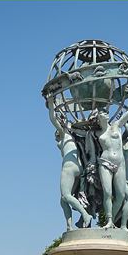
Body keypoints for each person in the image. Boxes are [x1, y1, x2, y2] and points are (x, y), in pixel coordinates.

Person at [93, 85, 128, 229]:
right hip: (105, 162)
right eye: (101, 114)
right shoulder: (97, 134)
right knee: (107, 193)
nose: (104, 114)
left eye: (105, 112)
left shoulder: (117, 125)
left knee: (121, 196)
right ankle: (109, 220)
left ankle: (113, 221)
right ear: (98, 119)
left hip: (120, 163)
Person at [47, 96, 92, 231]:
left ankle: (85, 215)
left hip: (69, 168)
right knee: (63, 200)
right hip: (78, 167)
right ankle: (69, 226)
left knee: (66, 195)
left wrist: (51, 104)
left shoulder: (65, 133)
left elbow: (53, 119)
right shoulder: (72, 137)